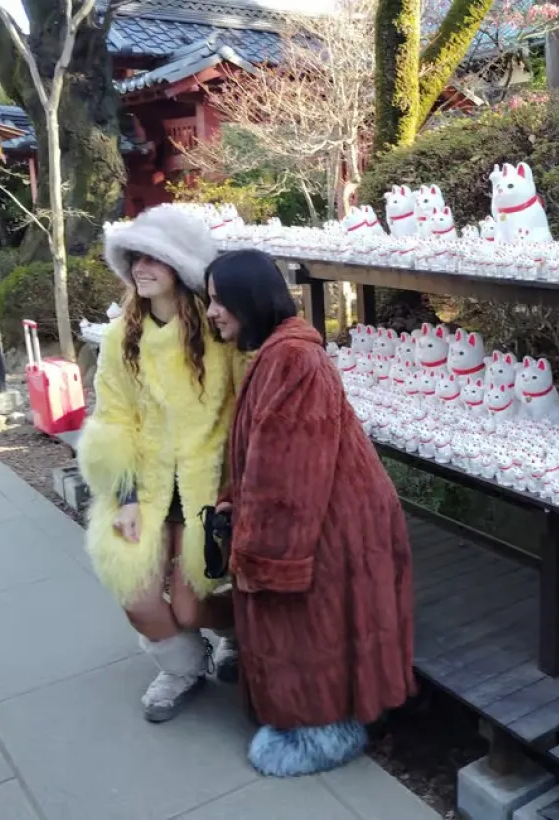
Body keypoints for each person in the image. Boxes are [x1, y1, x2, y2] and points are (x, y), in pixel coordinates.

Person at [206, 249, 416, 777]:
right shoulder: (282, 354)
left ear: (247, 298)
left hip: (327, 524)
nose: (211, 312)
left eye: (217, 300)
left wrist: (262, 559)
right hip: (331, 517)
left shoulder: (294, 359)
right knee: (320, 627)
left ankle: (322, 730)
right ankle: (317, 720)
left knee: (309, 628)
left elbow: (288, 478)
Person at [78, 205, 241, 723]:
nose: (140, 268)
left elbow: (245, 410)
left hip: (206, 492)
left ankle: (239, 632)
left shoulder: (218, 335)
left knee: (193, 607)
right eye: (135, 258)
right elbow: (112, 419)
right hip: (143, 491)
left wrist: (236, 491)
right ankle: (184, 666)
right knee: (138, 595)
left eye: (155, 259)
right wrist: (123, 498)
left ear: (182, 268)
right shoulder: (121, 335)